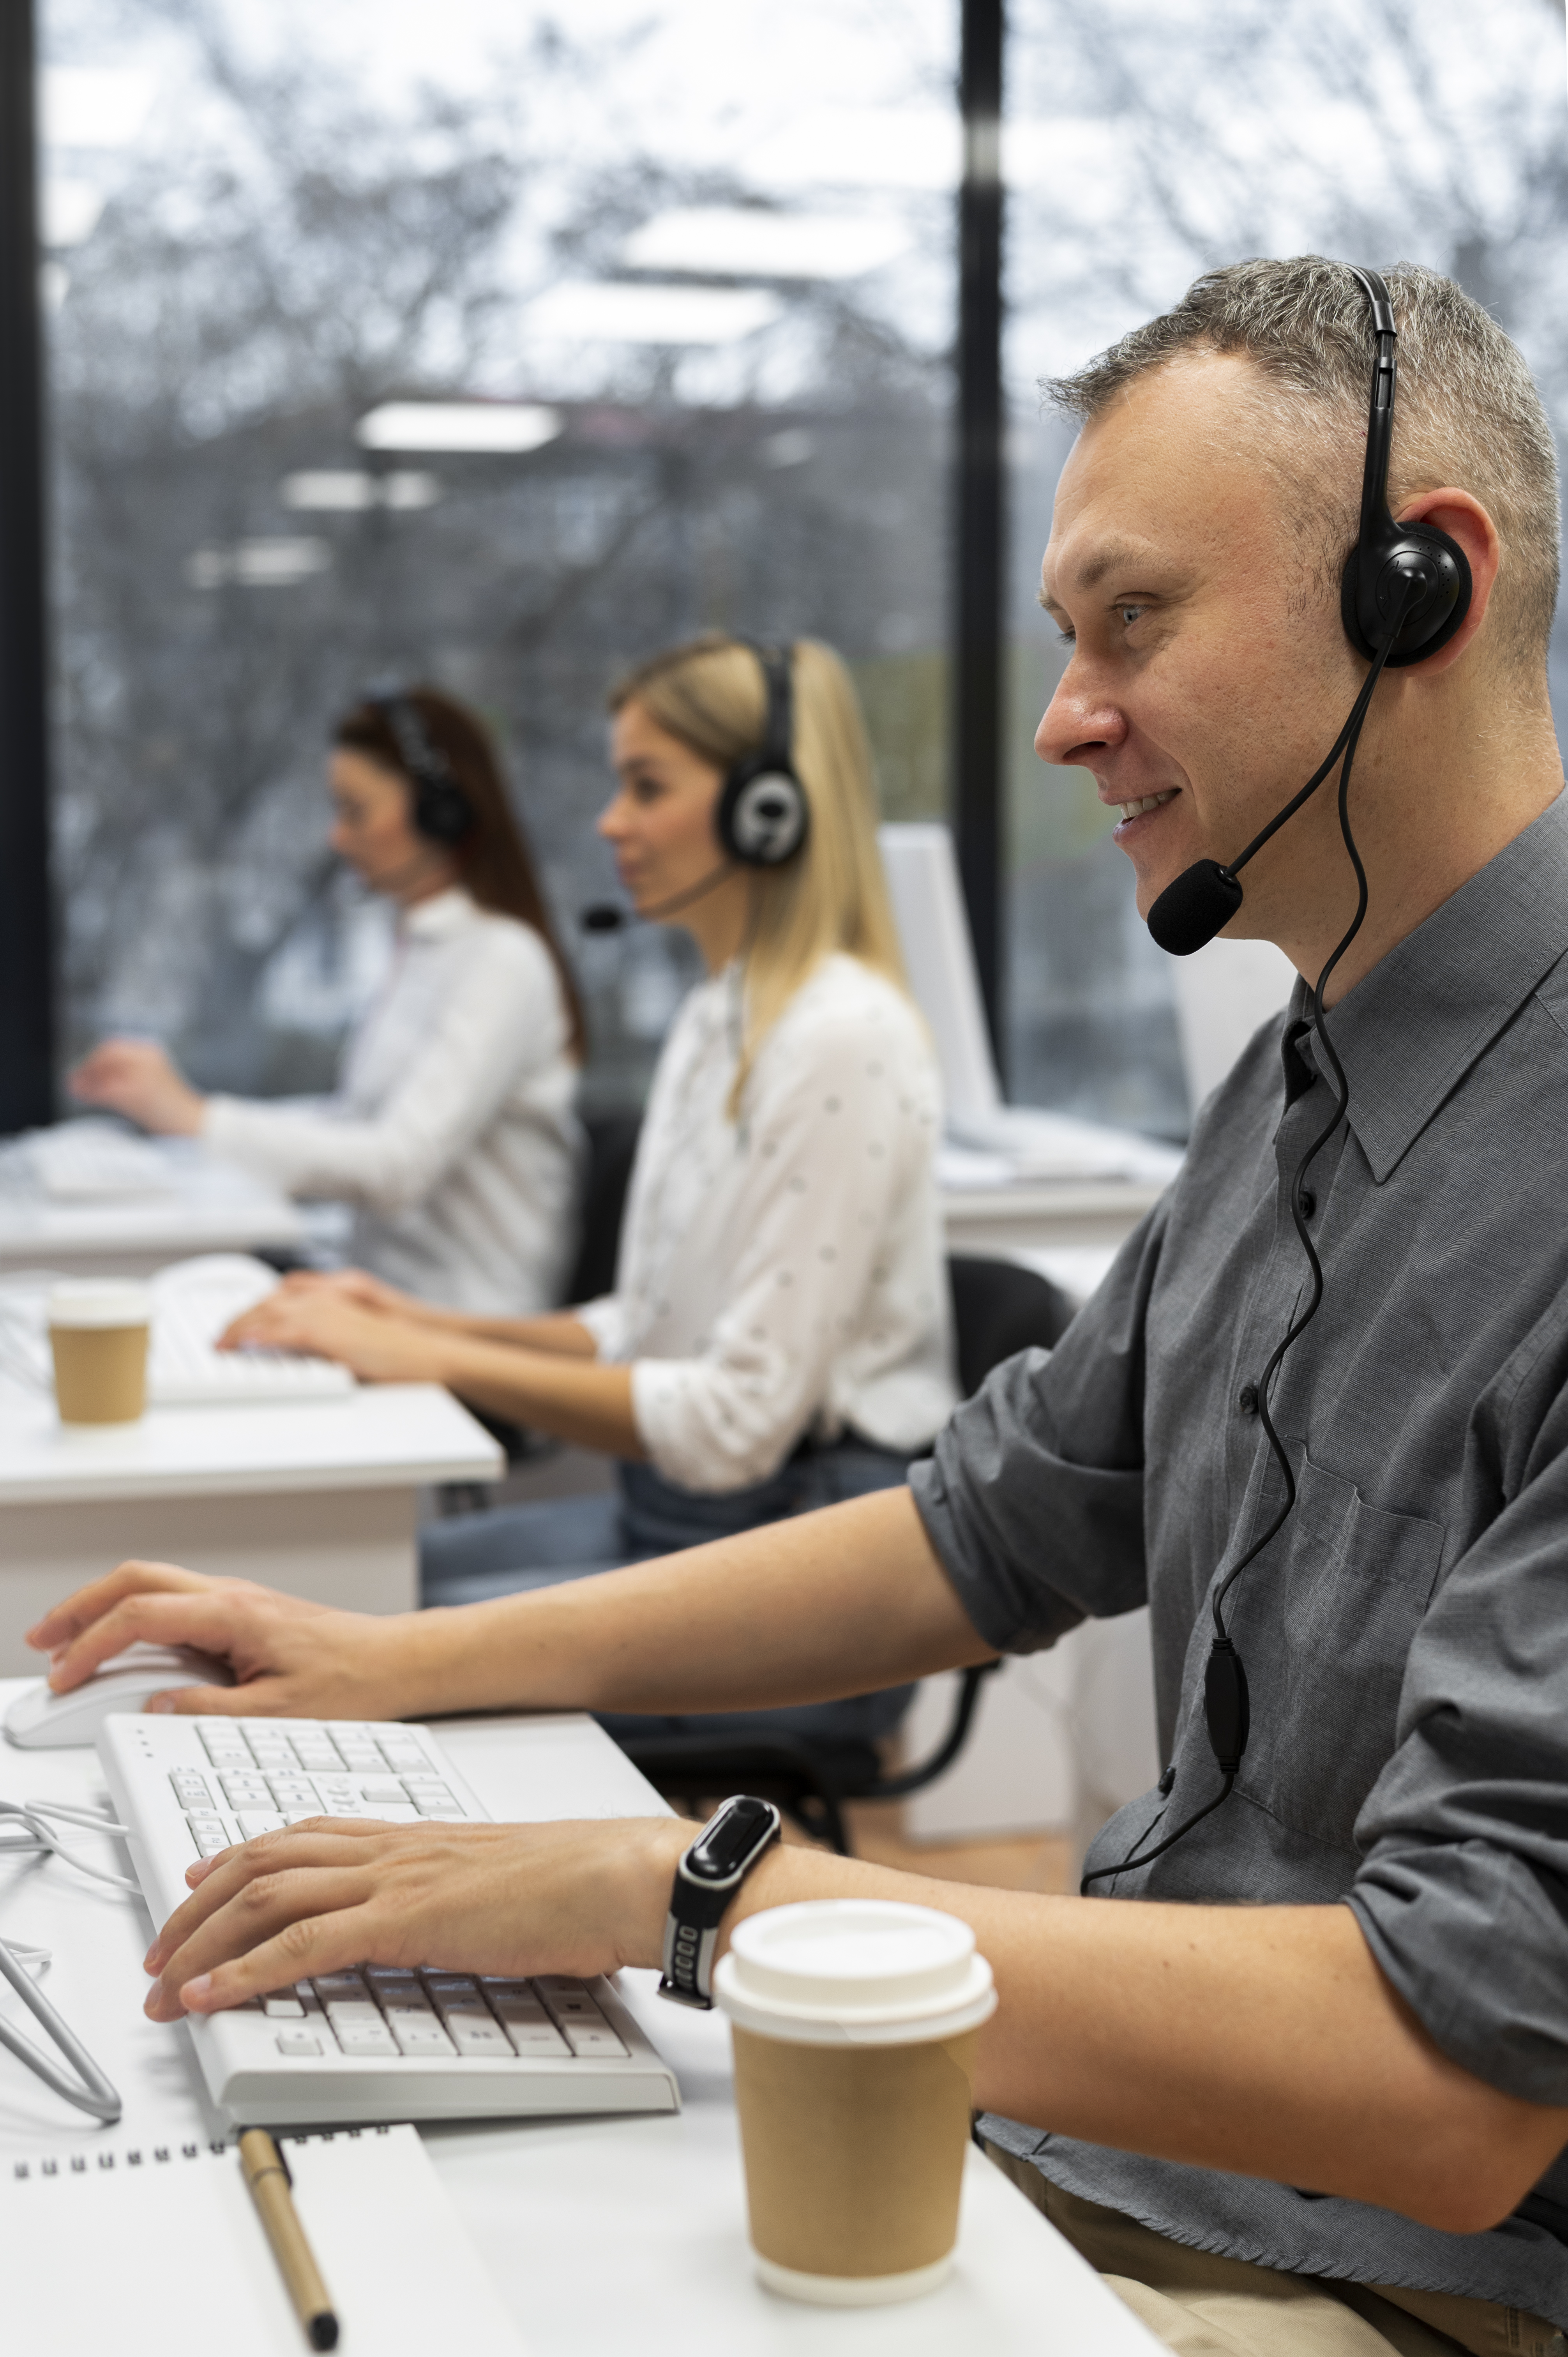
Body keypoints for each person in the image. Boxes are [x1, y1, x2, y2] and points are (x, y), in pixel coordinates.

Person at [32, 256, 1568, 2356]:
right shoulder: (1301, 1066)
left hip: (1398, 2280)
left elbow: (1458, 2081)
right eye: (1063, 642)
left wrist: (674, 1886)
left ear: (1422, 586)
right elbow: (981, 1530)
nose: (1056, 720)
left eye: (1133, 623)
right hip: (1124, 2152)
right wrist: (397, 1664)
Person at [213, 638, 955, 1734]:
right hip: (687, 1531)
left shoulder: (842, 1038)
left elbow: (737, 1423)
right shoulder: (722, 1017)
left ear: (771, 811)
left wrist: (443, 1359)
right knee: (348, 1600)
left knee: (352, 1667)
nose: (610, 822)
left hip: (802, 1573)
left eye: (647, 787)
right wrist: (419, 1319)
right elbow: (651, 1326)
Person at [69, 689, 584, 1316]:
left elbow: (397, 1167)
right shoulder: (422, 948)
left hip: (462, 1328)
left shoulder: (501, 961)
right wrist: (190, 1118)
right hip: (378, 1301)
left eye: (356, 812)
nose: (338, 838)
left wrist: (197, 1118)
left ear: (442, 815)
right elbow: (352, 1123)